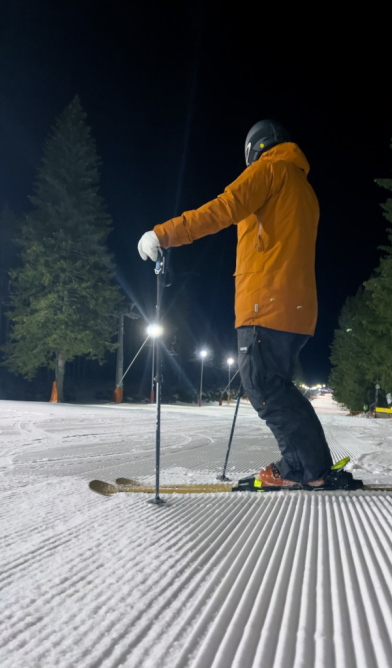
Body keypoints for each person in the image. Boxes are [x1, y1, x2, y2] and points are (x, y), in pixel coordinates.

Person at [138, 119, 334, 487]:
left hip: (266, 302)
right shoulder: (304, 188)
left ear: (254, 149)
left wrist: (164, 234)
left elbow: (222, 209)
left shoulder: (269, 171)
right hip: (296, 307)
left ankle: (305, 469)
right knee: (276, 386)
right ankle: (312, 465)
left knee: (263, 386)